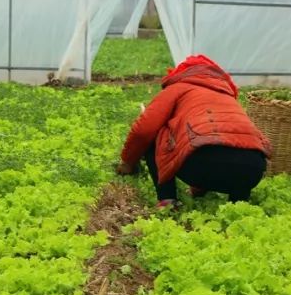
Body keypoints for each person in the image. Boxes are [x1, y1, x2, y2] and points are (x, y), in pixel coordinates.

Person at [116, 54, 271, 208]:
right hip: (253, 170)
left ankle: (168, 201)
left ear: (180, 74)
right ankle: (238, 204)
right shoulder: (227, 96)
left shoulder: (178, 88)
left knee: (158, 131)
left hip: (200, 165)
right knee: (223, 137)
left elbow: (144, 129)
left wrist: (128, 161)